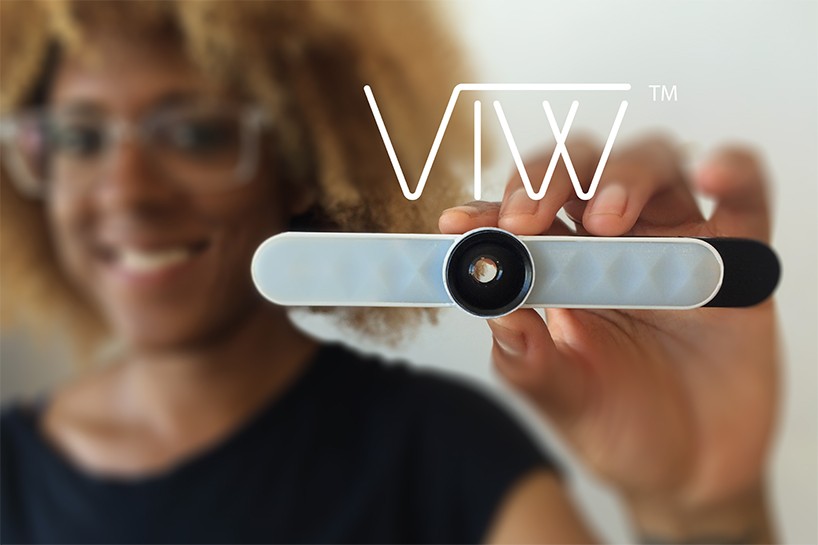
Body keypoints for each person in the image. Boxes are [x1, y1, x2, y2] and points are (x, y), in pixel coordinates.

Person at [0, 1, 779, 543]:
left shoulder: (444, 454)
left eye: (196, 132)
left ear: (299, 160)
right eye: (75, 139)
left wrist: (702, 511)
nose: (126, 191)